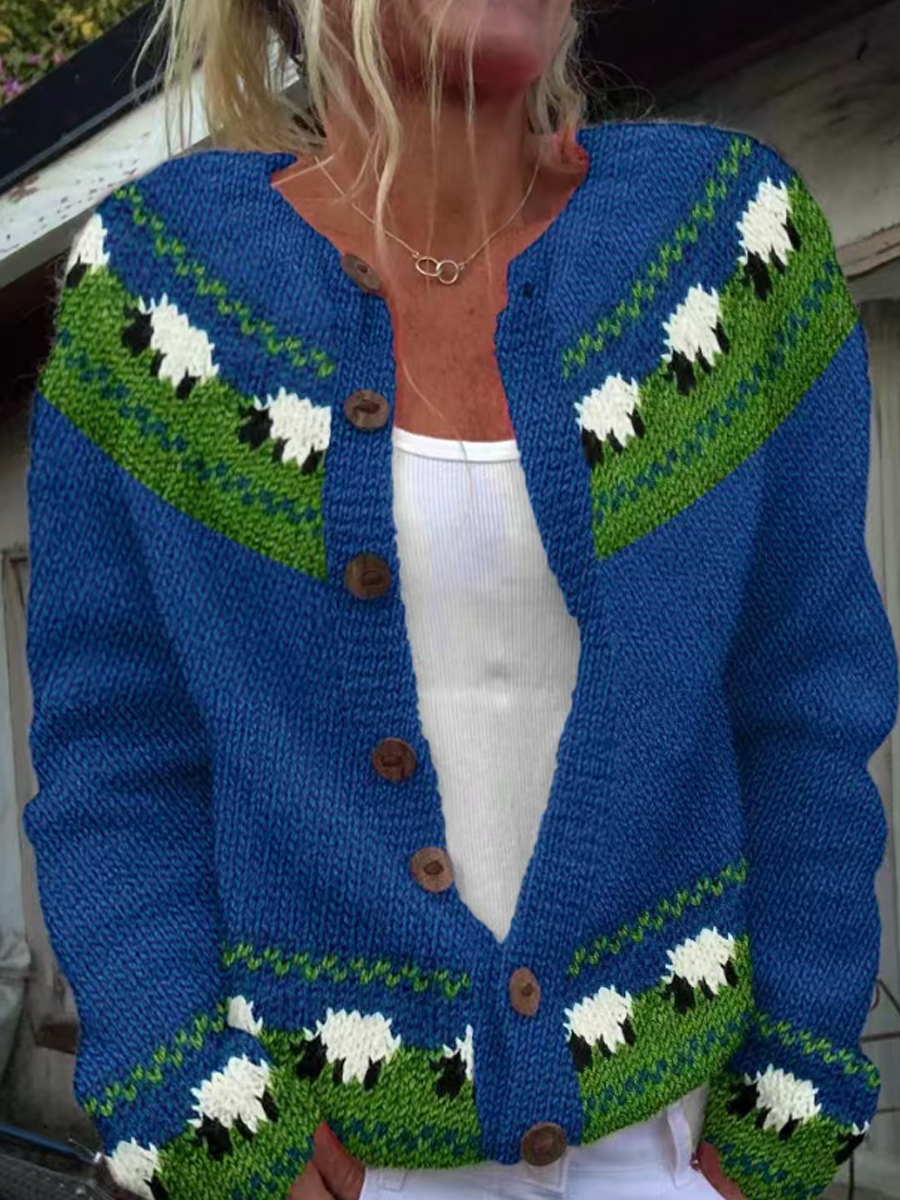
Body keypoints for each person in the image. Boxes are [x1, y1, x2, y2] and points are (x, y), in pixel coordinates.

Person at [21, 2, 898, 1200]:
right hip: (318, 1144)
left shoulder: (724, 247)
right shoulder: (160, 294)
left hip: (674, 1146)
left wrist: (777, 1123)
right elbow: (116, 758)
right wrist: (207, 1130)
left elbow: (806, 709)